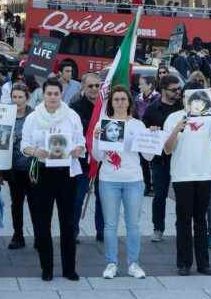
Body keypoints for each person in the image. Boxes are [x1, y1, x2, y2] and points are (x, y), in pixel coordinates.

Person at [21, 78, 85, 281]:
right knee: (42, 222)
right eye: (49, 94)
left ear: (61, 94)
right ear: (43, 94)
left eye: (56, 94)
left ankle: (69, 269)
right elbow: (24, 145)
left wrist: (78, 150)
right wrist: (36, 151)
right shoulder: (33, 117)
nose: (53, 98)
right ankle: (46, 268)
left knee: (67, 222)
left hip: (66, 173)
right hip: (42, 172)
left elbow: (81, 142)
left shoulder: (71, 116)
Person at [163, 82, 211, 276]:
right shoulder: (173, 117)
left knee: (201, 220)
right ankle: (184, 262)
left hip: (205, 174)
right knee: (183, 220)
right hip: (182, 175)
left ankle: (203, 263)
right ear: (183, 98)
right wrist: (176, 130)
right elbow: (167, 149)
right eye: (189, 97)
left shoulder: (208, 117)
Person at [93, 86, 152, 279]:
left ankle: (133, 263)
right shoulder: (103, 124)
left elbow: (149, 156)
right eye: (116, 99)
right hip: (109, 179)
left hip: (133, 180)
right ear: (111, 103)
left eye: (123, 99)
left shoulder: (138, 125)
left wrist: (151, 138)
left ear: (129, 102)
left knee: (133, 224)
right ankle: (111, 263)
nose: (119, 102)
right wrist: (95, 139)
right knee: (110, 225)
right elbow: (97, 156)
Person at [141, 75, 183, 242]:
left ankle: (182, 227)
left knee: (182, 196)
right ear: (163, 90)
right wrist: (150, 130)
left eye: (179, 89)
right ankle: (158, 228)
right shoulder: (152, 109)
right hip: (161, 160)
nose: (178, 92)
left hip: (181, 157)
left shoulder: (183, 107)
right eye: (174, 90)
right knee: (160, 195)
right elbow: (143, 133)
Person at [69, 73, 104, 241]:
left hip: (102, 159)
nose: (94, 89)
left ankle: (102, 232)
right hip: (82, 161)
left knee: (103, 198)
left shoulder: (106, 107)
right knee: (76, 199)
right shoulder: (74, 107)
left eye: (97, 86)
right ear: (83, 86)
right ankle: (72, 232)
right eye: (91, 86)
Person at [7, 83, 33, 250]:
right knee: (16, 203)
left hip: (32, 168)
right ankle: (18, 235)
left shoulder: (34, 115)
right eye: (14, 97)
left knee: (36, 204)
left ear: (27, 98)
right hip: (14, 168)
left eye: (20, 97)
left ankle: (39, 235)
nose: (17, 100)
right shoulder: (6, 115)